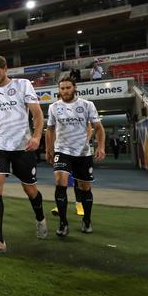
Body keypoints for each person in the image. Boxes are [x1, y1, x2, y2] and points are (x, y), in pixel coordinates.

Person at [0, 55, 47, 255]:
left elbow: (37, 113)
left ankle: (40, 218)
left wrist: (36, 137)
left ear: (5, 69)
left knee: (30, 190)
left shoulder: (23, 85)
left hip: (22, 147)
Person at [45, 77, 105, 237]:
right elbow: (50, 129)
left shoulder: (87, 105)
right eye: (62, 88)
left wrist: (101, 146)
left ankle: (87, 220)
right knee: (60, 182)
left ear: (74, 88)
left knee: (84, 187)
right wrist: (48, 149)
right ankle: (63, 223)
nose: (65, 91)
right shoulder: (53, 107)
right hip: (62, 151)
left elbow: (98, 128)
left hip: (83, 153)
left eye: (67, 88)